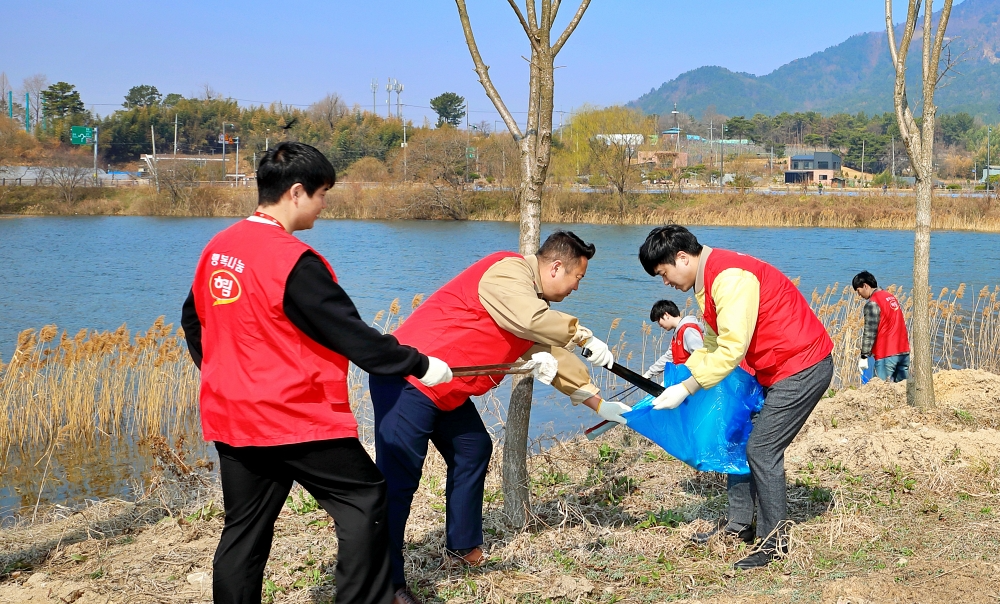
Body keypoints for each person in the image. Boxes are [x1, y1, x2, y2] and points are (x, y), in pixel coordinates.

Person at [180, 142, 453, 604]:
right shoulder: (292, 261)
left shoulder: (219, 247)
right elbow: (353, 336)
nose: (324, 205)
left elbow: (193, 321)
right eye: (322, 194)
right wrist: (420, 364)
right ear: (296, 192)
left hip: (233, 415)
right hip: (292, 415)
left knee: (245, 528)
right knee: (364, 499)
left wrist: (227, 376)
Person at [369, 231, 629, 602]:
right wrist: (582, 335)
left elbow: (556, 358)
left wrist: (600, 404)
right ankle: (386, 585)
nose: (577, 287)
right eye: (578, 277)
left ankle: (462, 545)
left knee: (473, 448)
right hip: (408, 379)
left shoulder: (531, 307)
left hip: (444, 391)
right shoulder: (508, 272)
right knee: (398, 483)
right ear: (556, 267)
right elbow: (534, 321)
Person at [638, 225, 833, 570]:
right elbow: (713, 344)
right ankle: (739, 525)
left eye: (663, 273)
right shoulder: (708, 279)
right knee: (741, 438)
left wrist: (688, 387)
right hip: (772, 369)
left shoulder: (729, 277)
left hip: (803, 365)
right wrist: (680, 381)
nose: (665, 282)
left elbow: (731, 348)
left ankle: (774, 544)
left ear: (682, 258)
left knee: (762, 450)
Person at [852, 271, 910, 382]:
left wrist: (864, 356)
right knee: (903, 389)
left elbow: (870, 331)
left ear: (865, 286)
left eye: (858, 291)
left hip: (886, 354)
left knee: (881, 389)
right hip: (903, 351)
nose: (859, 295)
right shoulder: (890, 296)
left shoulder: (873, 303)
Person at [642, 299, 704, 379]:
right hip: (684, 378)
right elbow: (669, 357)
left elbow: (700, 357)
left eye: (658, 321)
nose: (659, 325)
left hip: (693, 380)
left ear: (666, 315)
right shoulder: (677, 332)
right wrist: (648, 374)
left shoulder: (688, 330)